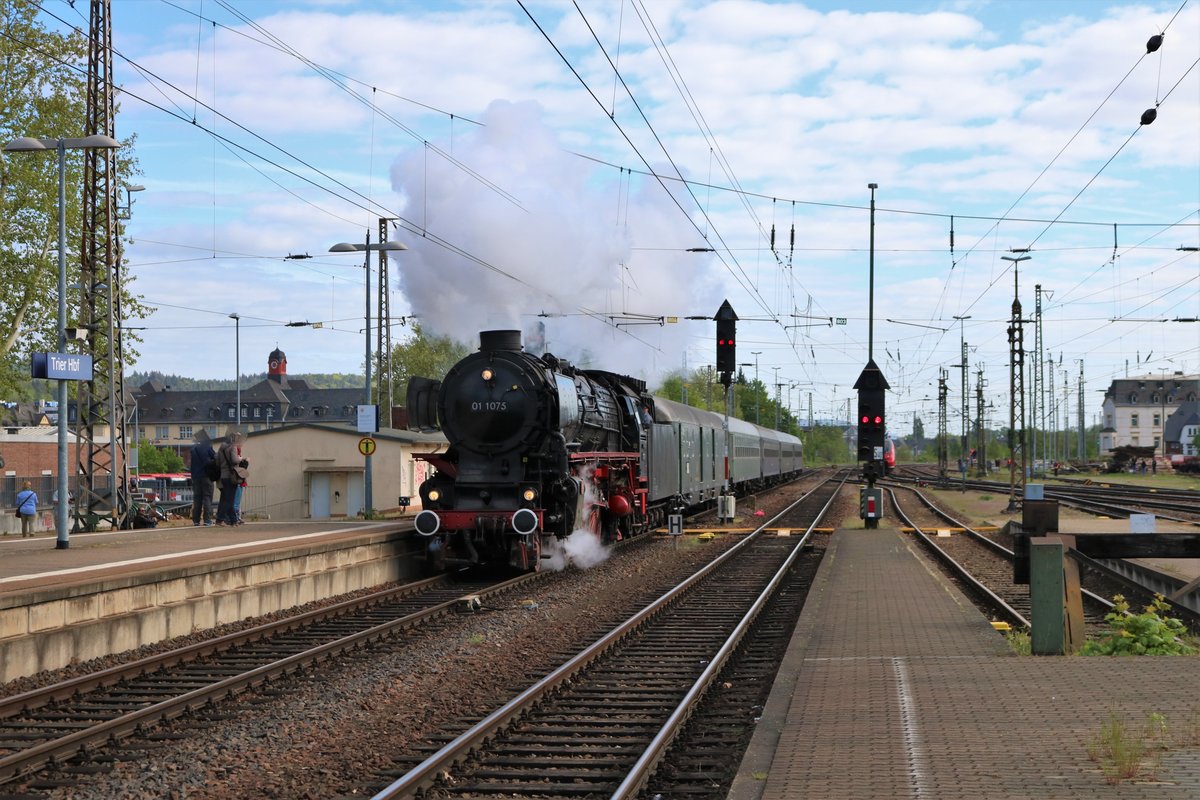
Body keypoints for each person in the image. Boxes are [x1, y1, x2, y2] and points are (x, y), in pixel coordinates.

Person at [216, 430, 248, 526]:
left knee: (226, 499)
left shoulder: (221, 448)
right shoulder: (233, 447)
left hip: (223, 475)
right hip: (231, 476)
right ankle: (220, 519)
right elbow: (234, 460)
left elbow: (217, 462)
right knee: (229, 500)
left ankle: (233, 520)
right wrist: (241, 458)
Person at [189, 430, 217, 526]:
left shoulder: (193, 449)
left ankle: (196, 520)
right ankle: (207, 520)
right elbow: (215, 458)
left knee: (197, 498)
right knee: (207, 498)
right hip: (206, 476)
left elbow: (192, 464)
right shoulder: (208, 447)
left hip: (195, 477)